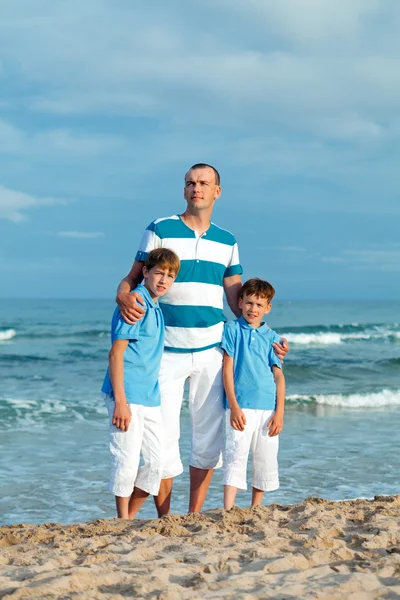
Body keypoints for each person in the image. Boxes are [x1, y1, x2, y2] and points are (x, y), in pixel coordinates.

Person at [116, 163, 289, 515]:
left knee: (208, 440)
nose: (197, 188)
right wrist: (122, 295)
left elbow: (238, 301)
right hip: (164, 352)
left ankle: (193, 515)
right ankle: (164, 517)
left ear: (217, 192)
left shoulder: (228, 241)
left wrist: (266, 340)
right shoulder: (160, 229)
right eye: (191, 183)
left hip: (212, 349)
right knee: (162, 440)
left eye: (204, 183)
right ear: (184, 191)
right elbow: (133, 277)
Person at [102, 248, 180, 519]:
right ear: (145, 272)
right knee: (126, 460)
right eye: (159, 273)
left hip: (150, 396)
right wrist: (120, 403)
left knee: (158, 463)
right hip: (127, 395)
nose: (163, 280)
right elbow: (116, 353)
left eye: (170, 276)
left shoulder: (155, 306)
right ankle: (122, 521)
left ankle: (129, 516)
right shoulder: (135, 301)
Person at [221, 277, 285, 509]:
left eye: (259, 305)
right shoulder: (231, 330)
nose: (253, 309)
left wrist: (279, 412)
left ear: (267, 308)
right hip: (241, 406)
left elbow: (278, 376)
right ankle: (228, 508)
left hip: (268, 408)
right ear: (240, 302)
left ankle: (255, 507)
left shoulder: (273, 338)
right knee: (235, 456)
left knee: (265, 459)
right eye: (249, 303)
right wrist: (234, 406)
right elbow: (227, 370)